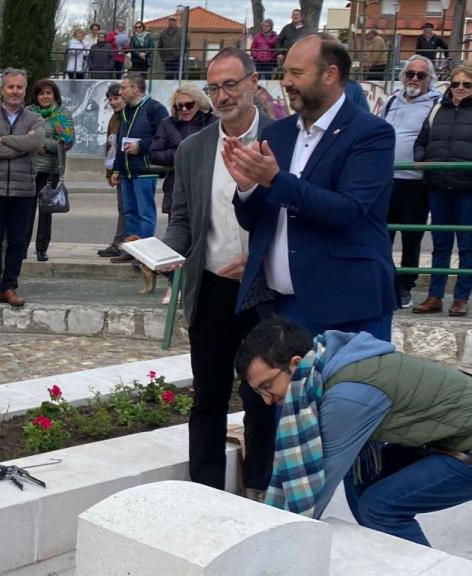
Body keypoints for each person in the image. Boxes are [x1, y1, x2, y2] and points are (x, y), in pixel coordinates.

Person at [236, 316, 472, 547]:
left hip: (463, 443)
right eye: (259, 392)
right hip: (448, 438)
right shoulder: (331, 359)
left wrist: (274, 544)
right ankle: (386, 557)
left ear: (295, 364)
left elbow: (317, 484)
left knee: (379, 507)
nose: (267, 400)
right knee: (361, 478)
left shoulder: (347, 395)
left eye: (267, 386)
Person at [224, 33, 396, 340]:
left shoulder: (371, 134)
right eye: (285, 71)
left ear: (330, 75)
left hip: (347, 308)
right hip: (279, 307)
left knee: (347, 389)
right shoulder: (277, 133)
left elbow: (349, 211)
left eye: (296, 73)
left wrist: (276, 179)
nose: (285, 81)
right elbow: (254, 221)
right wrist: (248, 189)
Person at [162, 48, 278, 501]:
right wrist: (163, 251)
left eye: (232, 84)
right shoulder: (193, 149)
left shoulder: (281, 140)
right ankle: (203, 494)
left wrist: (262, 259)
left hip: (263, 293)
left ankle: (260, 490)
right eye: (214, 87)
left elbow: (292, 218)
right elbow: (183, 222)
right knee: (207, 399)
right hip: (209, 289)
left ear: (253, 83)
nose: (223, 95)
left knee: (262, 400)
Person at [0, 68, 45, 310]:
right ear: (2, 90)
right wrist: (21, 145)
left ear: (25, 91)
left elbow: (36, 141)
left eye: (19, 87)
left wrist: (3, 139)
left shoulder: (35, 119)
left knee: (17, 241)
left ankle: (10, 286)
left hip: (23, 189)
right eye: (10, 87)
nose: (15, 91)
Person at [412, 63, 472, 317]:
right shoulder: (437, 109)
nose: (460, 89)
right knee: (440, 243)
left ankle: (461, 298)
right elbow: (421, 141)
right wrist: (422, 160)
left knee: (467, 244)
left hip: (468, 187)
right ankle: (435, 295)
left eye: (466, 84)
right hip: (438, 184)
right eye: (455, 83)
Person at [380, 56, 440, 310]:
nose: (414, 79)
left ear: (429, 80)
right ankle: (386, 282)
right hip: (387, 178)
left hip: (416, 182)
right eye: (410, 74)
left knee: (412, 237)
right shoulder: (392, 100)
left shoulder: (436, 104)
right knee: (383, 234)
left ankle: (406, 286)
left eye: (420, 75)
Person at [149, 83, 216, 303]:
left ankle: (201, 286)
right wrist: (183, 153)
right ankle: (174, 285)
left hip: (209, 186)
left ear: (200, 103)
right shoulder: (168, 124)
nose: (184, 110)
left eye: (189, 105)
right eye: (179, 107)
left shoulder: (214, 122)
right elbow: (155, 153)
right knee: (178, 238)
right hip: (178, 187)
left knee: (207, 239)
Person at [111, 73, 168, 263]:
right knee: (130, 212)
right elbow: (121, 139)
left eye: (124, 87)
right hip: (127, 170)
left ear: (135, 88)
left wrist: (141, 146)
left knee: (145, 213)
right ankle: (132, 250)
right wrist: (117, 169)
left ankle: (145, 254)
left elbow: (164, 138)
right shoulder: (126, 110)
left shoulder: (155, 109)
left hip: (145, 170)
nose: (120, 91)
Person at [27, 79, 74, 262]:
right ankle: (21, 248)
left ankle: (41, 249)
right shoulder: (29, 113)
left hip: (50, 170)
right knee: (25, 211)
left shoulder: (61, 115)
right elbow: (20, 136)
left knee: (46, 212)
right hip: (28, 168)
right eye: (41, 93)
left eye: (48, 93)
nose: (44, 96)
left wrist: (44, 144)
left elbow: (66, 142)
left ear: (54, 95)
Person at [98, 83, 127, 259]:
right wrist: (109, 172)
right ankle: (118, 242)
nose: (113, 102)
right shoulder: (114, 118)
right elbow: (110, 146)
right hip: (116, 167)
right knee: (122, 207)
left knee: (128, 208)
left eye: (116, 98)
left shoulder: (127, 116)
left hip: (126, 167)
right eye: (110, 100)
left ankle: (122, 244)